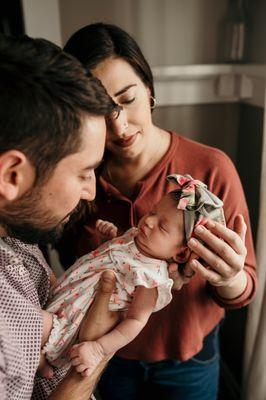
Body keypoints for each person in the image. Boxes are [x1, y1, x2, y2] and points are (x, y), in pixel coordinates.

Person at [58, 23, 258, 400]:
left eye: (127, 99)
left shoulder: (209, 170)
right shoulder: (80, 179)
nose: (118, 124)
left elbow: (244, 287)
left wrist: (228, 276)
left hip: (188, 360)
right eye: (100, 110)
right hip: (101, 357)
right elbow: (72, 264)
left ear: (149, 90)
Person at [0, 33, 121, 400]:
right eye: (85, 172)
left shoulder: (16, 231)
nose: (90, 191)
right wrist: (99, 341)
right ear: (11, 176)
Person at [41, 174, 225, 378]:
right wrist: (110, 238)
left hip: (70, 323)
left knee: (28, 321)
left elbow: (135, 321)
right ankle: (42, 366)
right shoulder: (134, 238)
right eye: (153, 211)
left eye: (162, 226)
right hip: (66, 297)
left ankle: (44, 364)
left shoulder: (150, 279)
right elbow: (117, 259)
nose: (149, 221)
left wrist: (99, 349)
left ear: (180, 253)